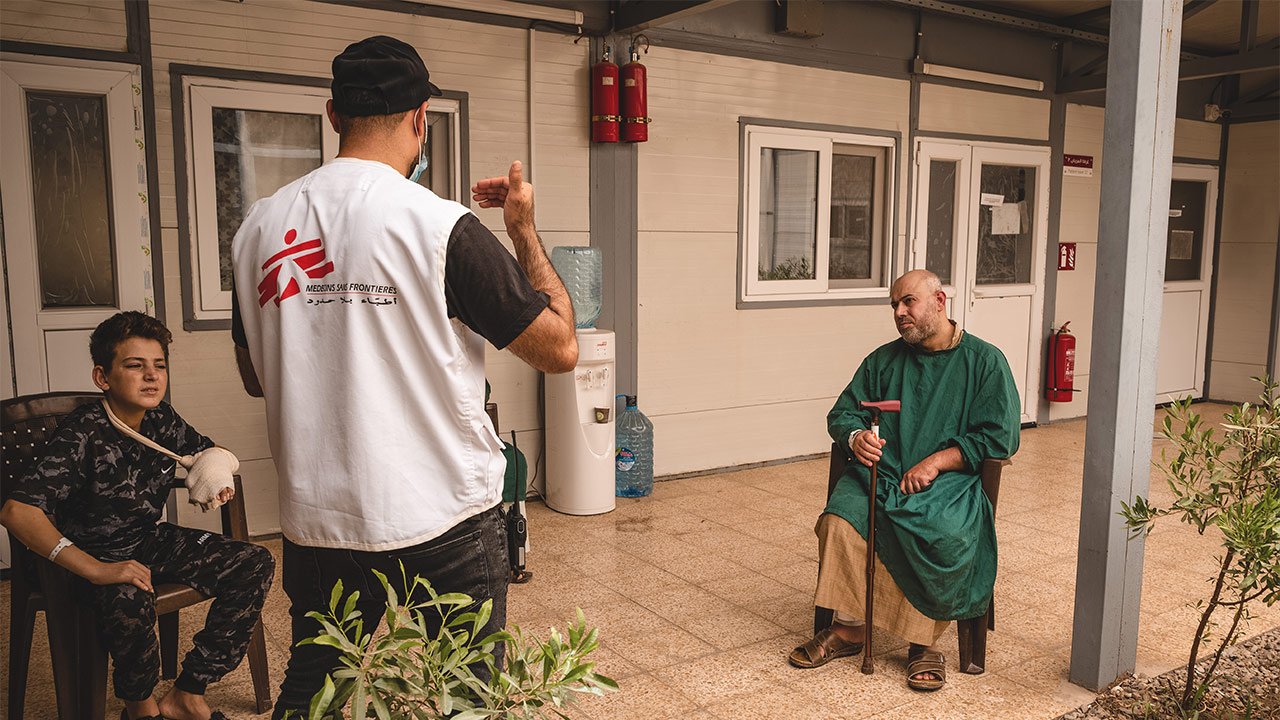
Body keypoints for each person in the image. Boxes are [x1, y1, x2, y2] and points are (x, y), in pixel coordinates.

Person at [228, 35, 577, 717]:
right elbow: (560, 348)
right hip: (441, 515)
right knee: (464, 697)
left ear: (333, 115)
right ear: (421, 117)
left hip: (318, 520)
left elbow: (255, 376)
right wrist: (523, 230)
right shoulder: (443, 228)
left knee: (317, 691)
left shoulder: (257, 231)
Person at [0, 311, 273, 720]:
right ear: (102, 377)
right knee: (128, 595)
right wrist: (96, 569)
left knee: (255, 562)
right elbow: (17, 511)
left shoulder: (162, 419)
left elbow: (207, 455)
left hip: (146, 539)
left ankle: (188, 692)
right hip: (88, 555)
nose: (151, 376)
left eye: (159, 366)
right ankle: (141, 708)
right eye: (134, 365)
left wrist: (214, 477)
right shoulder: (82, 432)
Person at [787, 269, 1020, 691]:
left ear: (940, 300)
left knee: (941, 533)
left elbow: (1000, 437)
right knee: (840, 521)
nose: (899, 312)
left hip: (949, 482)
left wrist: (939, 461)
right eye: (894, 305)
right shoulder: (883, 361)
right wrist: (856, 437)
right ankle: (850, 627)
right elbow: (843, 412)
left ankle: (922, 642)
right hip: (885, 474)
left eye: (908, 302)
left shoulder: (985, 362)